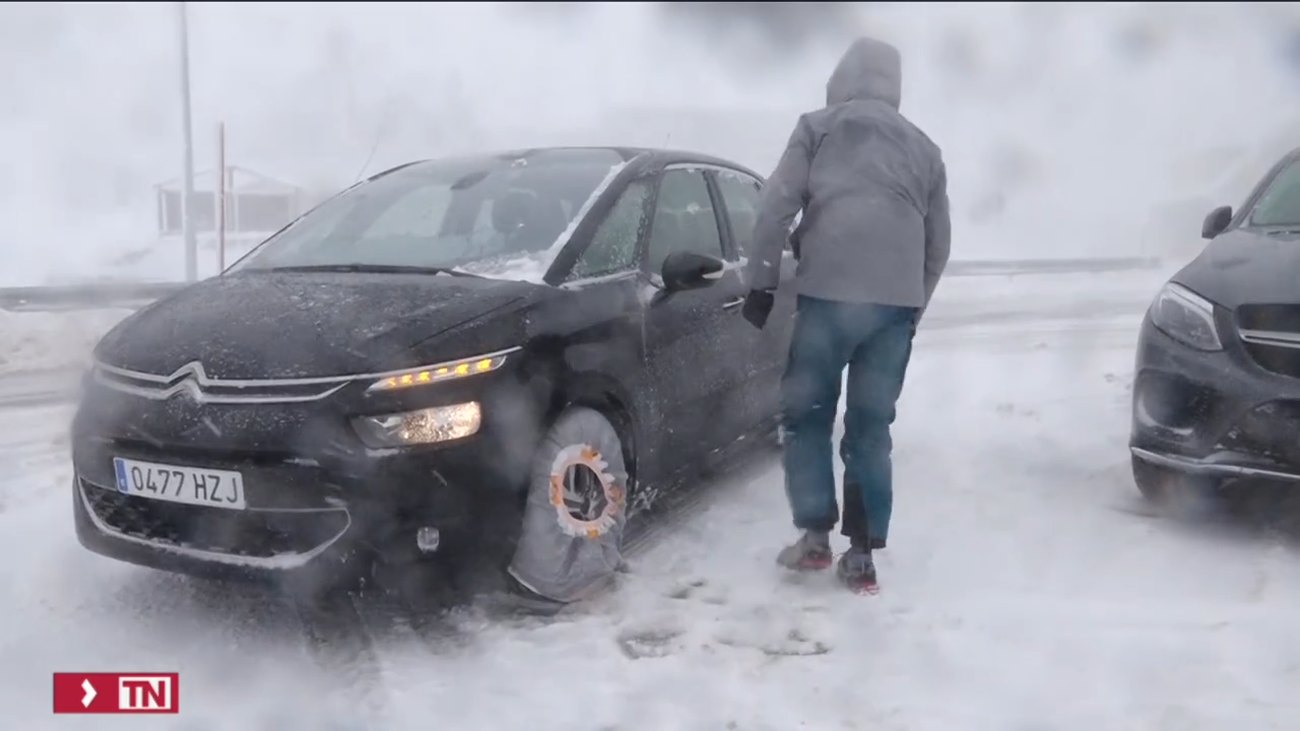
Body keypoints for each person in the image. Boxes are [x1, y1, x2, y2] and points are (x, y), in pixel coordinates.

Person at [740, 36, 951, 594]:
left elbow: (773, 208)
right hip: (892, 309)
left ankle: (813, 538)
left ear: (842, 79)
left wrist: (760, 282)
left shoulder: (818, 127)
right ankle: (861, 557)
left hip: (829, 299)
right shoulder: (925, 149)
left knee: (807, 412)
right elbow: (938, 245)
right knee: (870, 427)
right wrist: (911, 305)